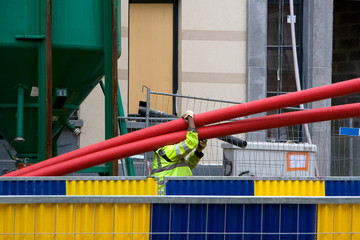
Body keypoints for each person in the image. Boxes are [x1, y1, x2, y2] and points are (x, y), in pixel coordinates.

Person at [151, 110, 207, 194]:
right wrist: (190, 118)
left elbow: (187, 165)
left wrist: (198, 151)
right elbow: (190, 143)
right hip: (169, 197)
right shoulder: (166, 151)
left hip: (173, 193)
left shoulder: (166, 154)